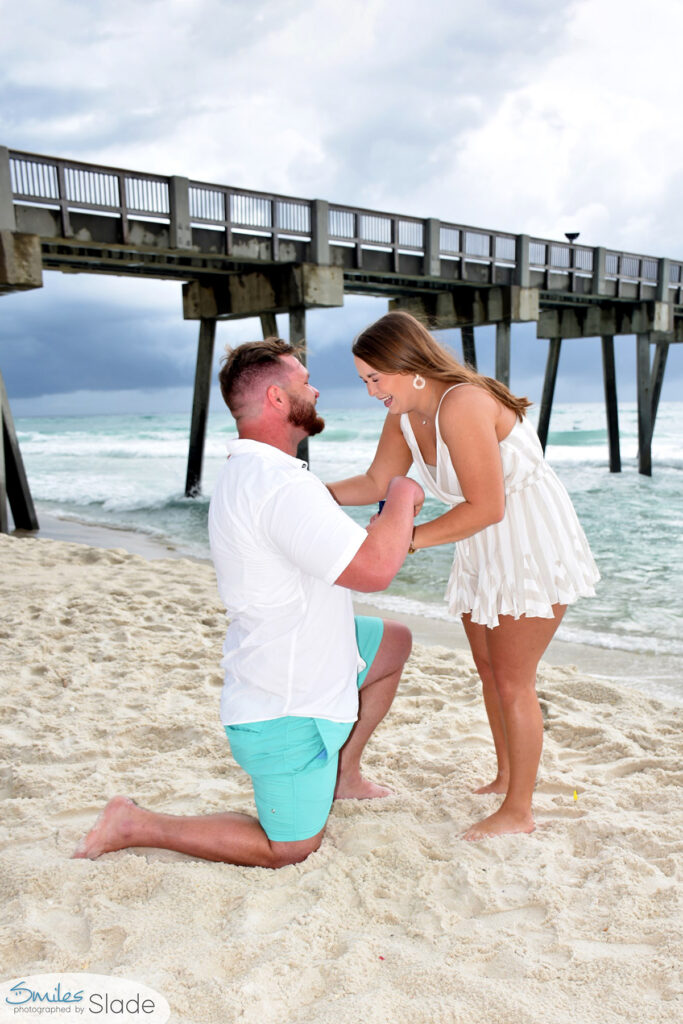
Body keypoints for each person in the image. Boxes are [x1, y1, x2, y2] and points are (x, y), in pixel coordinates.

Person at [73, 337, 423, 868]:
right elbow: (374, 571)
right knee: (289, 848)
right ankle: (134, 823)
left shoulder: (253, 472)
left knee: (392, 643)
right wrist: (402, 496)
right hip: (285, 706)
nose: (317, 389)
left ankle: (343, 775)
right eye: (305, 381)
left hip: (294, 659)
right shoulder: (280, 485)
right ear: (279, 400)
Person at [327, 311, 599, 841]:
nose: (370, 391)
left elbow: (489, 505)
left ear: (409, 367)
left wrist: (406, 538)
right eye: (364, 380)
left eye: (375, 378)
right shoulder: (405, 412)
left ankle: (519, 810)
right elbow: (376, 480)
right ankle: (505, 778)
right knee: (488, 669)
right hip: (479, 543)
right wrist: (302, 490)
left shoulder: (464, 403)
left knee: (514, 680)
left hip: (526, 540)